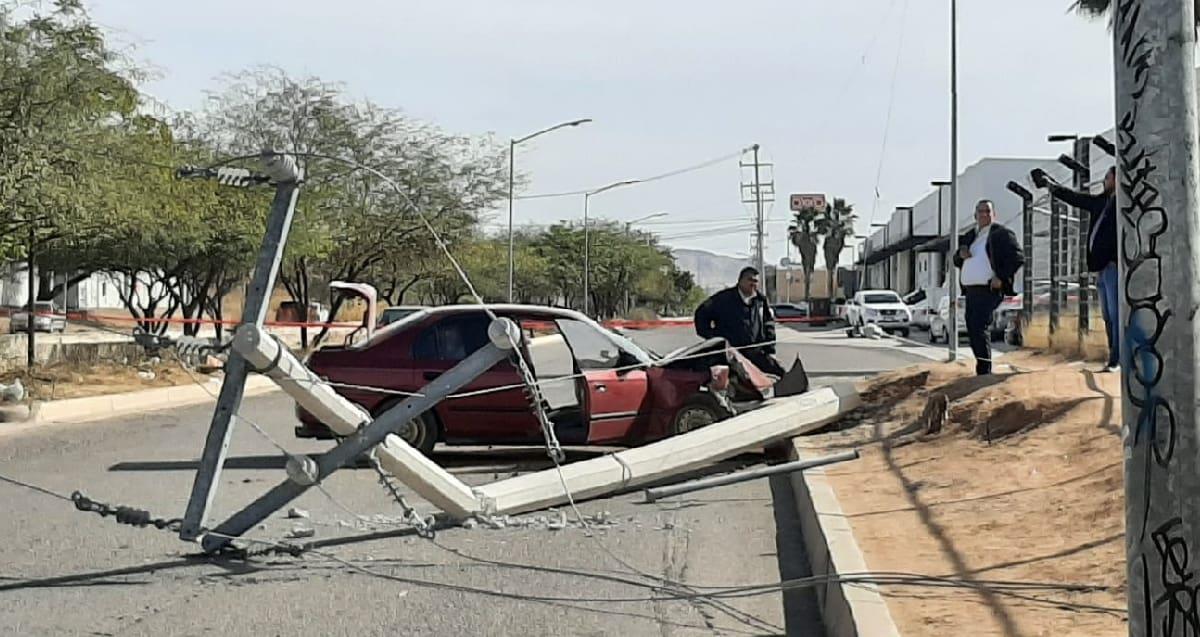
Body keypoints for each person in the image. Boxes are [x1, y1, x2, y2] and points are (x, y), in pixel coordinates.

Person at [1032, 165, 1119, 372]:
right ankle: (1113, 355)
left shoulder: (1123, 204)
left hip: (1114, 267)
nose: (1104, 181)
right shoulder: (1101, 202)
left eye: (1107, 177)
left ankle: (1117, 359)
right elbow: (1076, 198)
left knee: (1116, 315)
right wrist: (1051, 186)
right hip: (1101, 269)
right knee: (1107, 316)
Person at [952, 200, 1025, 376]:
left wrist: (1001, 277)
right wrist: (960, 255)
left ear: (994, 214)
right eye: (980, 211)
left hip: (989, 289)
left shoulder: (1001, 234)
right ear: (974, 215)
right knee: (972, 328)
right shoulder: (970, 235)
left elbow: (1017, 257)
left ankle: (985, 370)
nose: (984, 214)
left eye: (987, 211)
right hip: (971, 291)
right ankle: (981, 366)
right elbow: (956, 260)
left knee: (979, 325)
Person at [693, 266, 785, 376]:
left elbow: (768, 324)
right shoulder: (723, 299)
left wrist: (770, 351)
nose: (753, 284)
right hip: (729, 355)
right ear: (740, 281)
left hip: (755, 353)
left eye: (756, 281)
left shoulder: (760, 300)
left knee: (780, 373)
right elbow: (701, 313)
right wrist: (713, 338)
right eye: (750, 280)